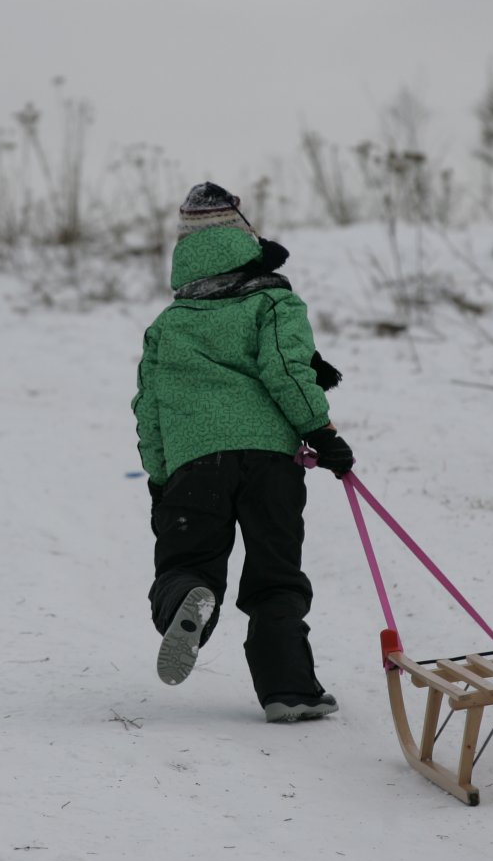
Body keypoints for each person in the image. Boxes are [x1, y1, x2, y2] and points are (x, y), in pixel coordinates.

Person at [131, 182, 354, 723]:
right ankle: (289, 690)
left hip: (193, 465)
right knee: (276, 572)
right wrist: (321, 431)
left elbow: (149, 408)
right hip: (270, 463)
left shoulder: (168, 325)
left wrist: (161, 477)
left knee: (187, 559)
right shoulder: (274, 301)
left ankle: (188, 597)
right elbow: (286, 369)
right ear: (246, 239)